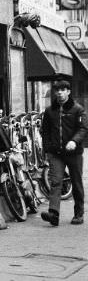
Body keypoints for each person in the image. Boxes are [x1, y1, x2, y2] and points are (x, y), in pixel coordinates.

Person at [40, 78, 87, 226]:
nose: (59, 93)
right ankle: (53, 214)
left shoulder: (77, 109)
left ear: (68, 92)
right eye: (57, 90)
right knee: (55, 182)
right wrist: (47, 149)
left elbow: (83, 128)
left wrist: (74, 141)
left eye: (63, 90)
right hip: (56, 153)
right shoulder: (49, 111)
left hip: (74, 153)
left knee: (76, 182)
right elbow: (45, 131)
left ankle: (79, 214)